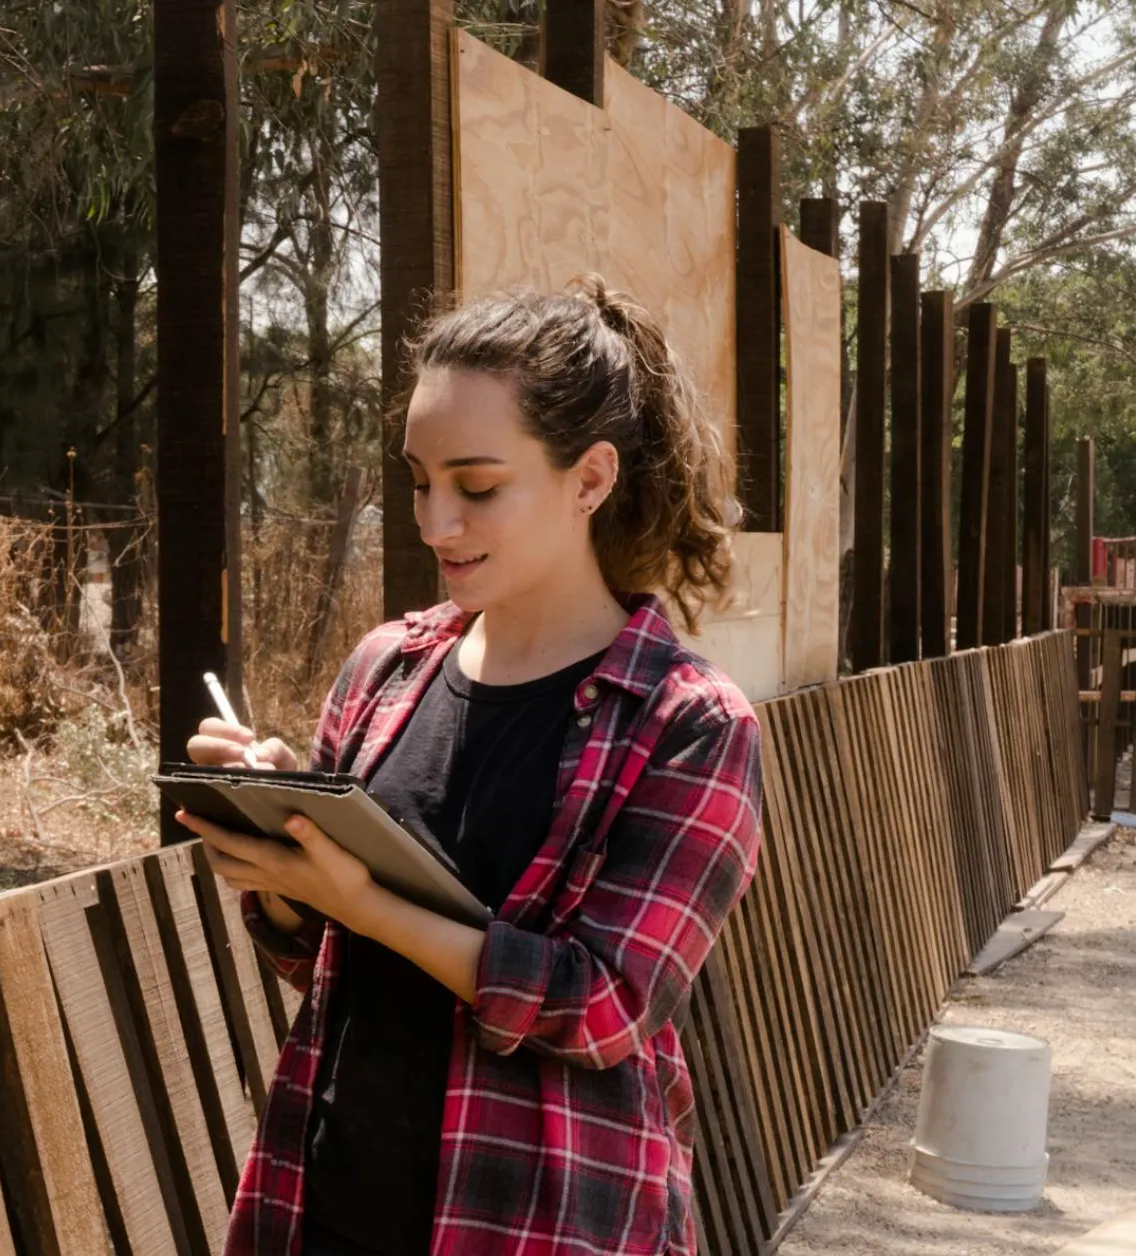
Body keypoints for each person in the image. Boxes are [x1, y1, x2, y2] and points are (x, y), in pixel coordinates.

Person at [177, 276, 762, 1256]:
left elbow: (602, 1005)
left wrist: (365, 900)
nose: (434, 521)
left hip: (538, 1224)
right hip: (323, 1203)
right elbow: (314, 961)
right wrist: (284, 853)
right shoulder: (385, 668)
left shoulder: (688, 723)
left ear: (590, 478)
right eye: (418, 479)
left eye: (477, 486)